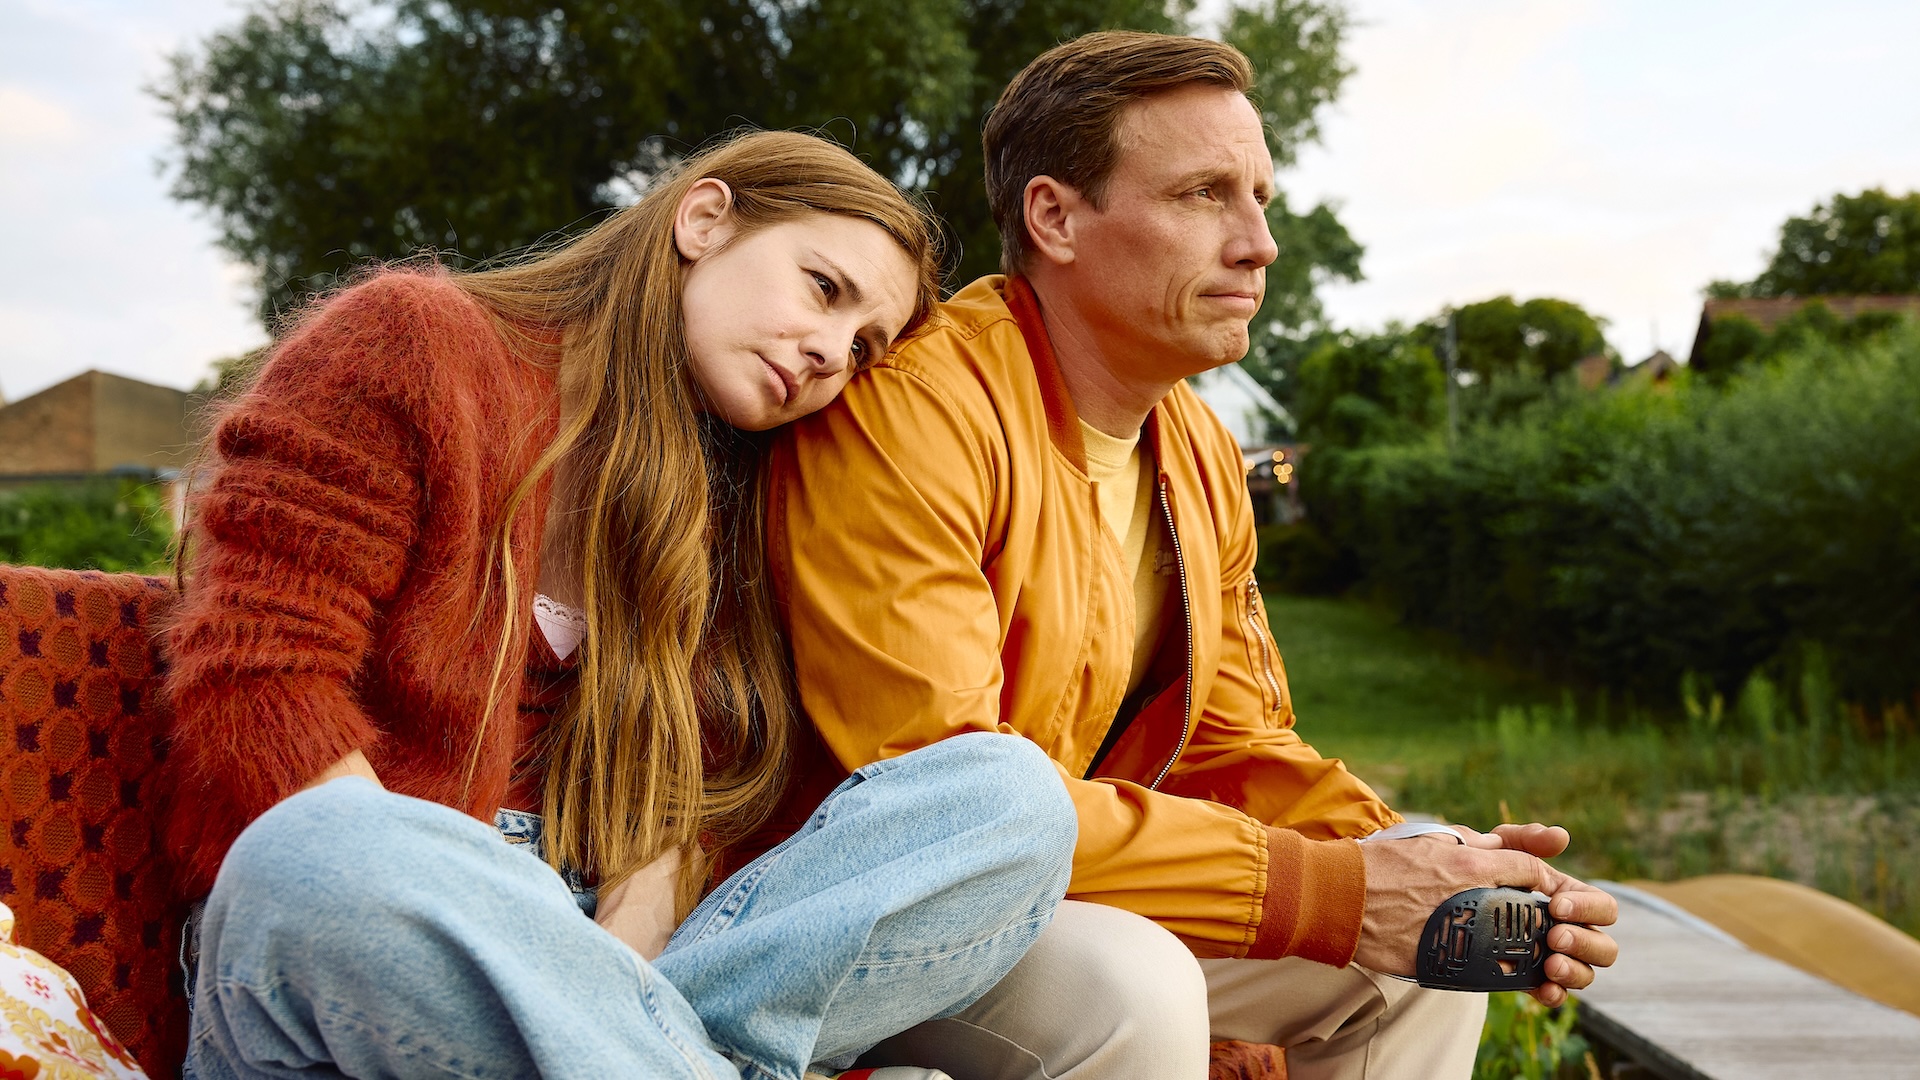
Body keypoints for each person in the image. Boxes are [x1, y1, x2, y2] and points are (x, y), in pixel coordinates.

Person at [765, 32, 1619, 1080]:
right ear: (1054, 217)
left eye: (1259, 197)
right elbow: (946, 806)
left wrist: (1434, 866)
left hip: (1057, 886)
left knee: (1420, 957)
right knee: (1133, 985)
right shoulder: (914, 414)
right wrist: (1335, 892)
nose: (1259, 243)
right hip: (859, 912)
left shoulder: (1201, 451)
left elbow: (1234, 742)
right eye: (1204, 195)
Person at [160, 129, 1077, 1080]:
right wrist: (526, 948)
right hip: (366, 926)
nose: (827, 353)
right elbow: (258, 676)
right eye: (822, 287)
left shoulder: (736, 494)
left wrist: (607, 984)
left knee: (1007, 799)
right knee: (314, 849)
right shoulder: (413, 343)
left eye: (860, 349)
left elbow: (680, 806)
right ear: (704, 220)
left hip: (608, 968)